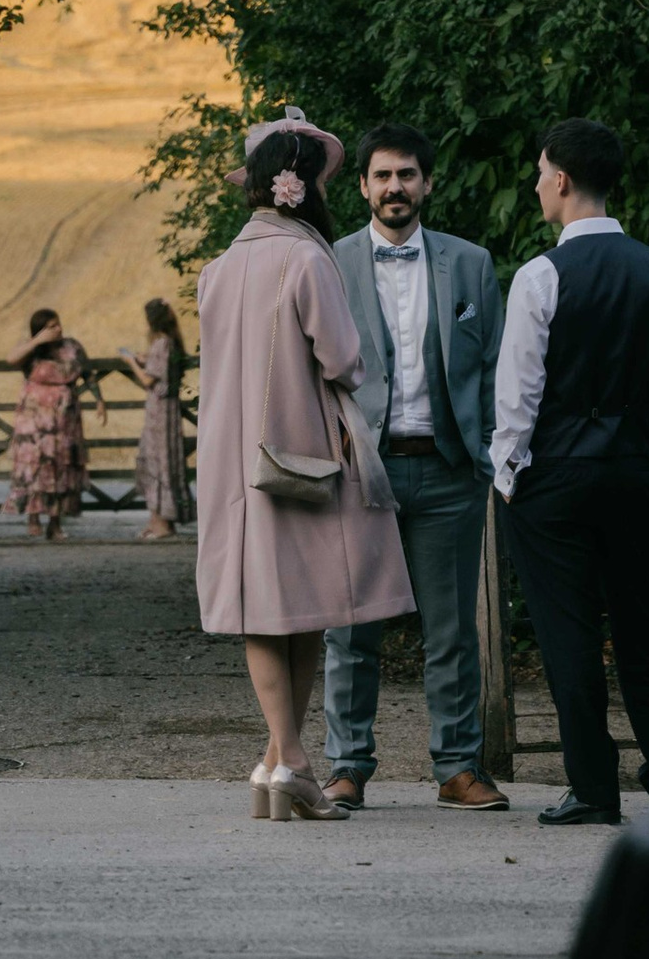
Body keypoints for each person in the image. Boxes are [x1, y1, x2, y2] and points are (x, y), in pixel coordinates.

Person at [194, 107, 413, 819]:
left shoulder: (218, 270)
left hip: (233, 463)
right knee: (310, 607)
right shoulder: (308, 258)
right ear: (306, 187)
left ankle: (273, 763)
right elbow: (342, 358)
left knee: (265, 607)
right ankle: (291, 759)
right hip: (303, 458)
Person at [491, 116, 649, 827]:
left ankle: (594, 789)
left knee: (568, 632)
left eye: (539, 171)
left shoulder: (540, 276)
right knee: (640, 626)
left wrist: (507, 475)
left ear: (561, 179)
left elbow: (516, 398)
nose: (536, 183)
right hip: (631, 469)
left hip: (553, 476)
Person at [322, 121, 508, 813]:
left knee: (453, 632)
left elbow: (492, 366)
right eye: (382, 176)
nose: (394, 187)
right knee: (350, 629)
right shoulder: (331, 262)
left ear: (427, 183)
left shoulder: (470, 264)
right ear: (363, 185)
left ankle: (458, 766)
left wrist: (487, 452)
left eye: (407, 175)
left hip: (448, 471)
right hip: (361, 475)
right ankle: (347, 767)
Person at [10, 308, 89, 540]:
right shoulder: (32, 349)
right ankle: (33, 517)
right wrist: (37, 341)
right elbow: (11, 359)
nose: (58, 329)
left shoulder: (71, 346)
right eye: (52, 326)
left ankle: (55, 523)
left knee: (60, 467)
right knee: (34, 466)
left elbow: (87, 371)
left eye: (58, 324)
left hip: (64, 418)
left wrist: (99, 399)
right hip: (34, 418)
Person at [136, 294, 190, 539]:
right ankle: (156, 519)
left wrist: (131, 362)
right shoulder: (171, 343)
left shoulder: (160, 344)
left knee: (158, 462)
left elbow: (149, 380)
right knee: (164, 461)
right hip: (169, 409)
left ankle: (163, 524)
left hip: (159, 411)